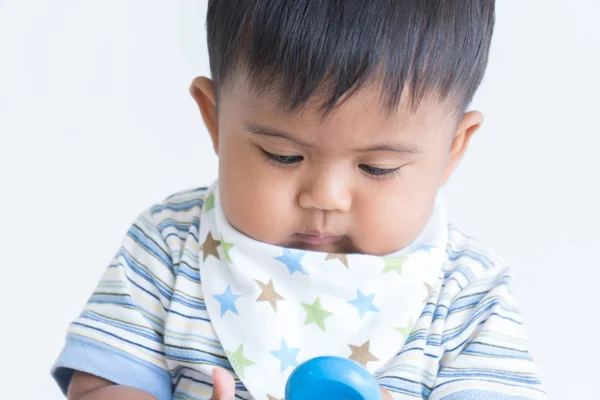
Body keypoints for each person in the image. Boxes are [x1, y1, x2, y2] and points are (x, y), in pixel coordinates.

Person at [52, 1, 546, 399]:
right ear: (215, 119)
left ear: (452, 150)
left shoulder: (467, 294)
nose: (325, 197)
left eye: (378, 168)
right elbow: (97, 386)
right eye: (282, 155)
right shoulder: (169, 246)